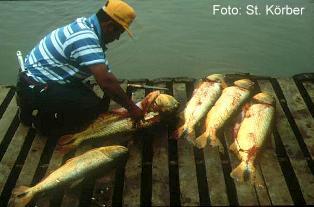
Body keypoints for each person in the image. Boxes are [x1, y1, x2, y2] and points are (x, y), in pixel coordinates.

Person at [16, 0, 144, 136]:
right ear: (110, 27)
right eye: (119, 33)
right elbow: (106, 81)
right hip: (35, 87)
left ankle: (29, 106)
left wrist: (115, 95)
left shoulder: (85, 27)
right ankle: (41, 123)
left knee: (94, 102)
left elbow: (106, 74)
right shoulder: (85, 38)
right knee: (90, 110)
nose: (117, 38)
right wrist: (132, 108)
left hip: (35, 80)